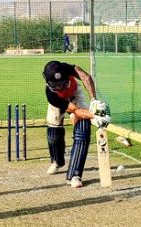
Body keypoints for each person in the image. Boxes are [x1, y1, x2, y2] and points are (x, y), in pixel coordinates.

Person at [43, 60, 108, 188]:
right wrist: (95, 116)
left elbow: (86, 77)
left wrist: (93, 100)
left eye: (61, 84)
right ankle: (57, 161)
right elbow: (76, 111)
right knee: (53, 133)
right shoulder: (51, 95)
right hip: (60, 101)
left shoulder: (67, 68)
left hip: (74, 93)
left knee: (83, 129)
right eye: (55, 85)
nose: (58, 88)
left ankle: (74, 174)